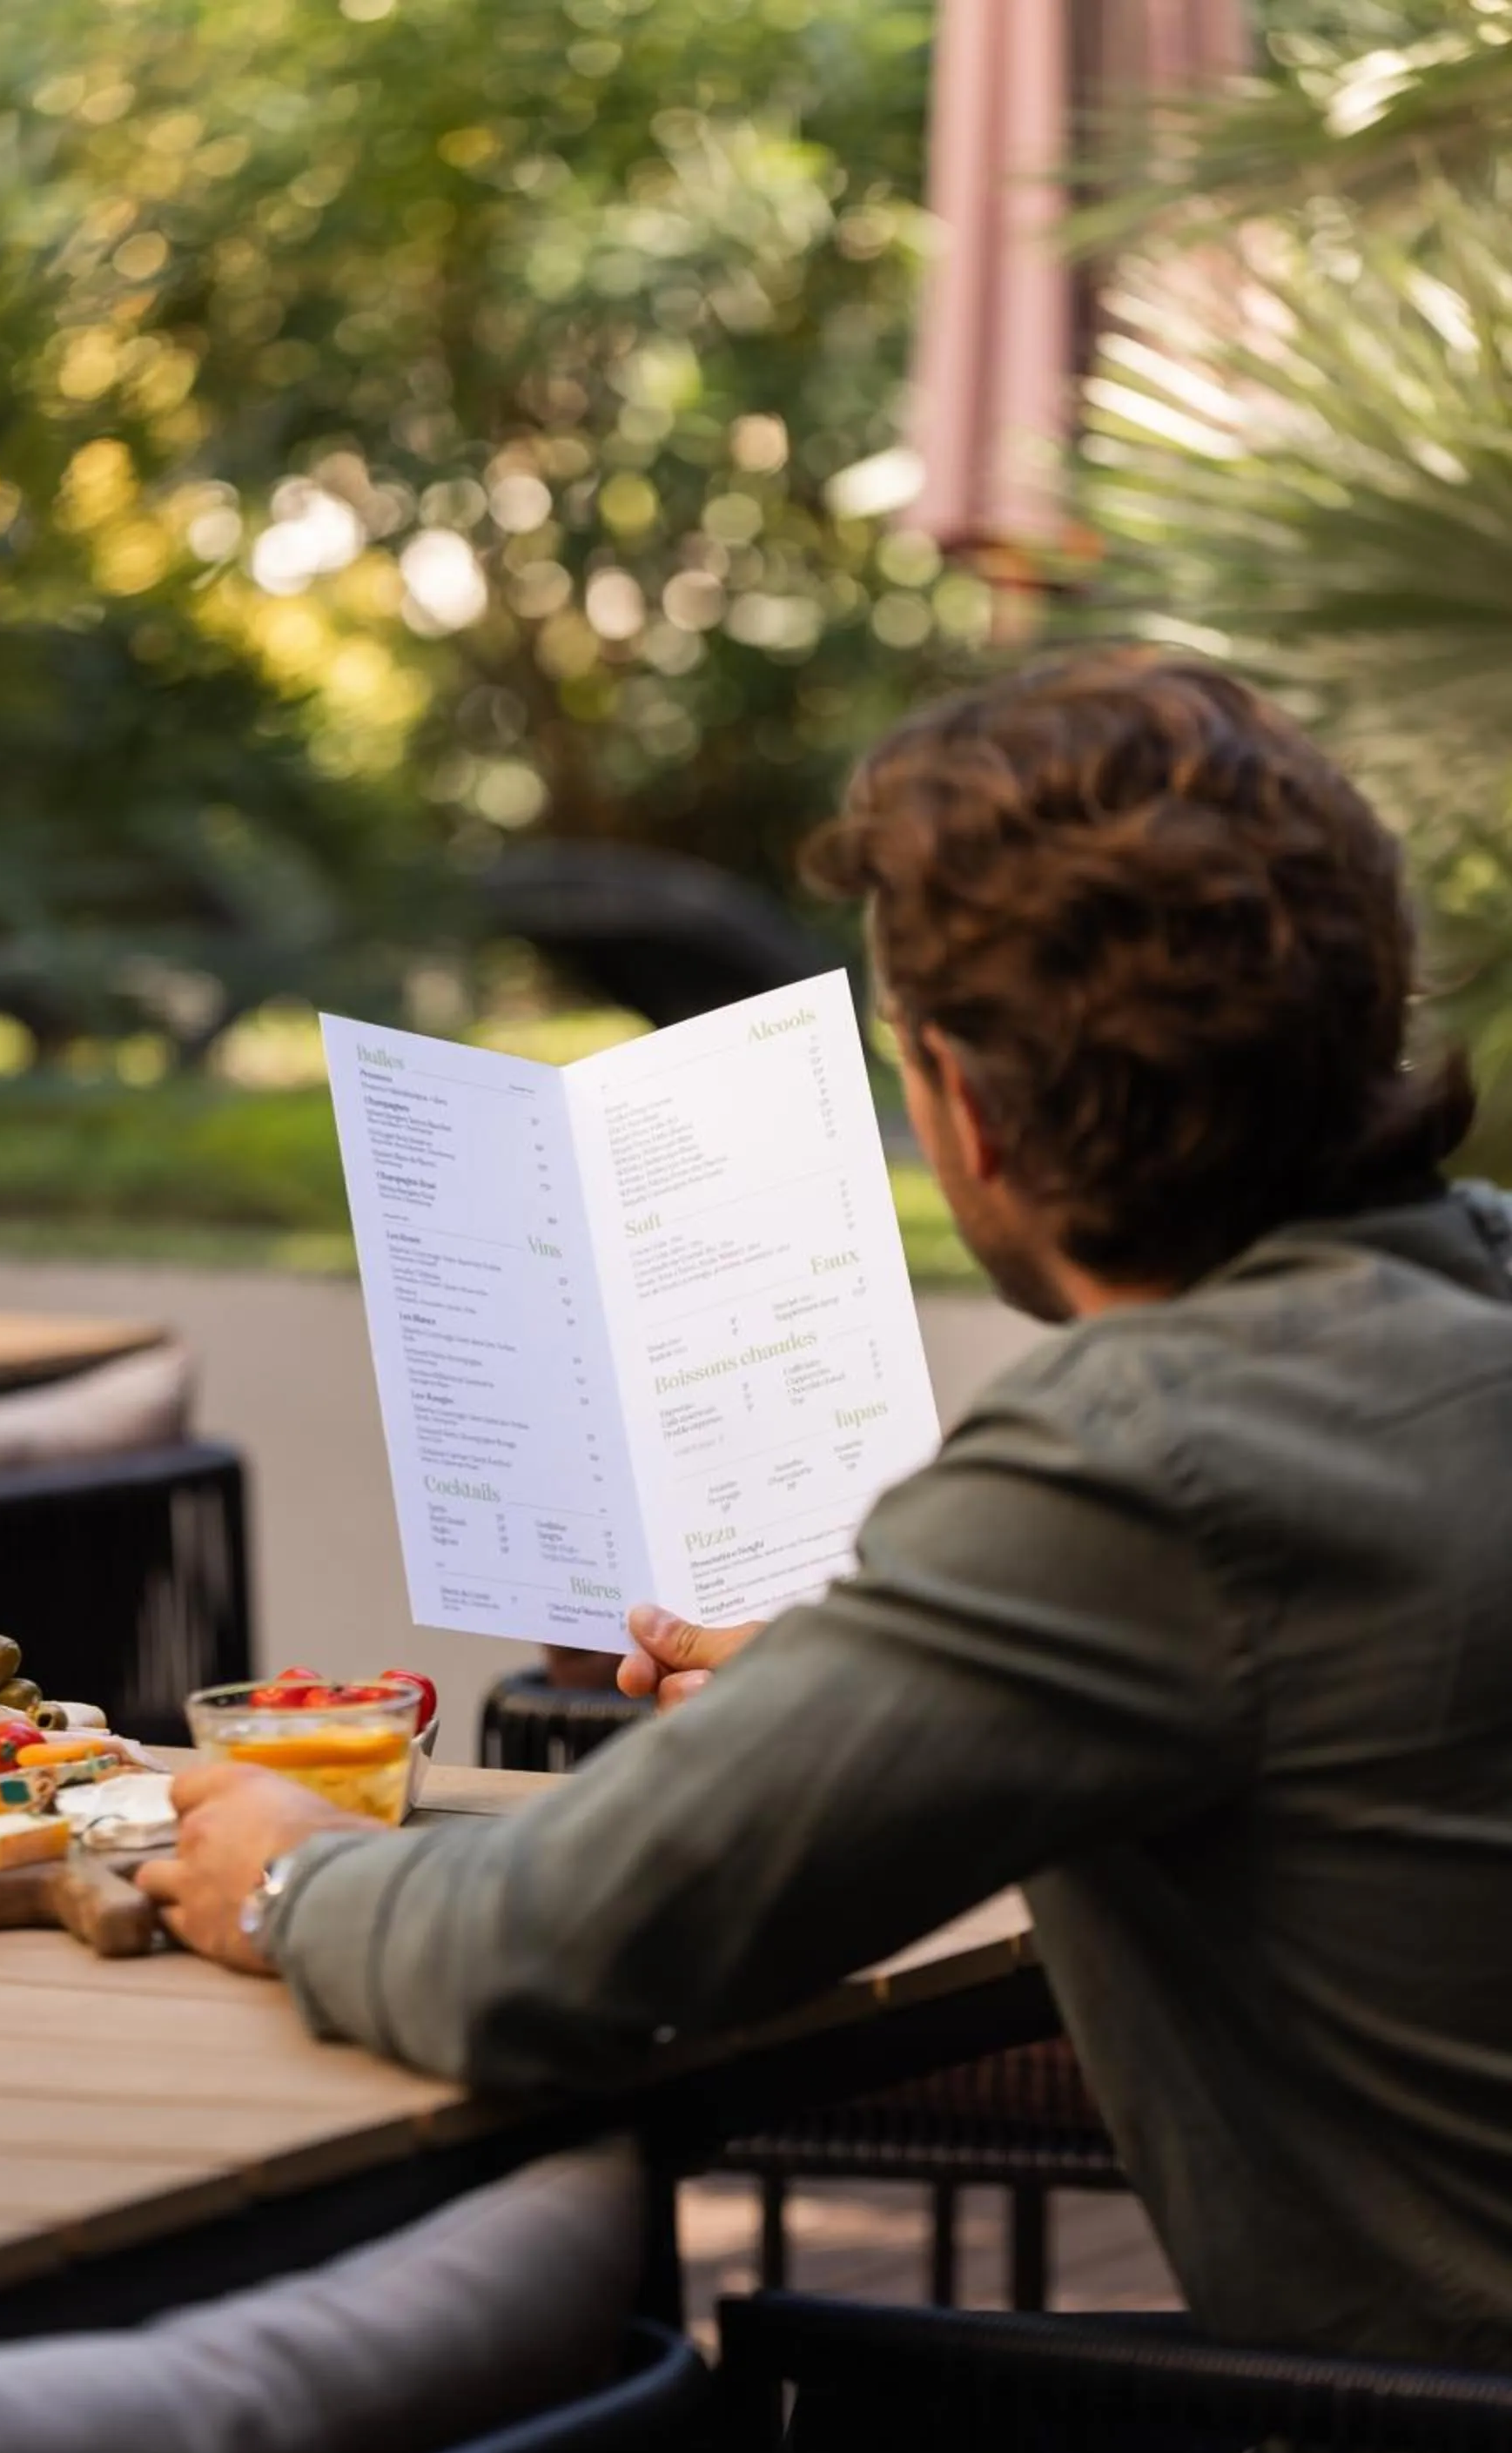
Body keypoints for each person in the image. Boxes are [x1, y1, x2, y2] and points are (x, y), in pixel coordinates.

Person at [138, 647, 1512, 2365]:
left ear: (971, 1113)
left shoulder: (1141, 1461)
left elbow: (541, 1959)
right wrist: (882, 1681)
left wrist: (288, 1880)